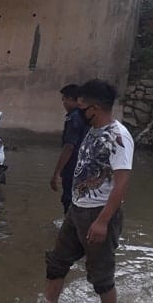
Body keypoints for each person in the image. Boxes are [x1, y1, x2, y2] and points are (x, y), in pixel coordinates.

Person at [44, 79, 134, 303]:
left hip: (99, 213)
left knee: (101, 277)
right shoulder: (92, 130)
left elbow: (122, 183)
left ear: (94, 109)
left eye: (81, 108)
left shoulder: (118, 137)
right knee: (56, 264)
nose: (77, 112)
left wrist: (103, 221)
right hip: (76, 210)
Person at [50, 84, 89, 214]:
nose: (64, 103)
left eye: (64, 99)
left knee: (69, 198)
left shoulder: (74, 118)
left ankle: (70, 228)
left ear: (72, 99)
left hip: (73, 166)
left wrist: (56, 173)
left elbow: (69, 147)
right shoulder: (86, 116)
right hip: (85, 166)